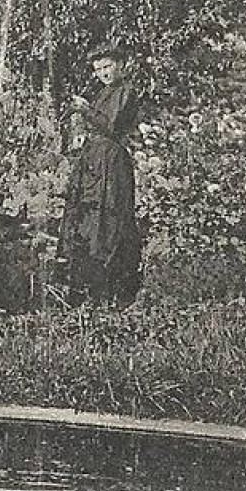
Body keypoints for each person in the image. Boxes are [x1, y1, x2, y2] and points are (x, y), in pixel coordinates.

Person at [58, 43, 142, 306]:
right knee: (88, 217)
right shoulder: (104, 93)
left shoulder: (126, 92)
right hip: (94, 162)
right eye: (98, 70)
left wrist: (85, 110)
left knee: (109, 218)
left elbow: (111, 126)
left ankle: (111, 290)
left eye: (107, 66)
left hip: (111, 163)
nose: (103, 73)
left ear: (120, 65)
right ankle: (88, 289)